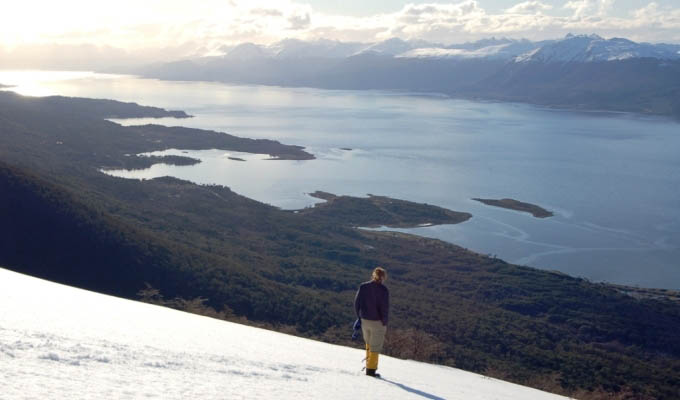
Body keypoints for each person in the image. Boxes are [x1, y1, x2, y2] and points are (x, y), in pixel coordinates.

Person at [354, 266, 389, 377]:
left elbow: (356, 303)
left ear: (373, 275)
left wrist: (359, 317)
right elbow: (384, 308)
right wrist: (384, 321)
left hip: (365, 320)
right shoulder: (384, 290)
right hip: (377, 322)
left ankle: (369, 366)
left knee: (368, 343)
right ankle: (371, 371)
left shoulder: (363, 287)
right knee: (375, 346)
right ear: (383, 277)